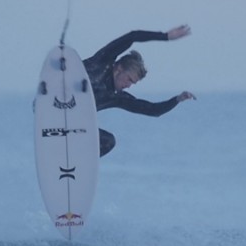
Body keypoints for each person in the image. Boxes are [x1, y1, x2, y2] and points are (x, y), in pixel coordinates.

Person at [83, 24, 196, 157]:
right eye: (129, 79)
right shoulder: (102, 61)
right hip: (58, 92)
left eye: (133, 83)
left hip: (72, 125)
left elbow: (153, 110)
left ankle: (74, 164)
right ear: (118, 68)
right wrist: (165, 36)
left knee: (107, 142)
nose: (129, 85)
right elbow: (133, 36)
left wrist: (177, 99)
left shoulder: (116, 97)